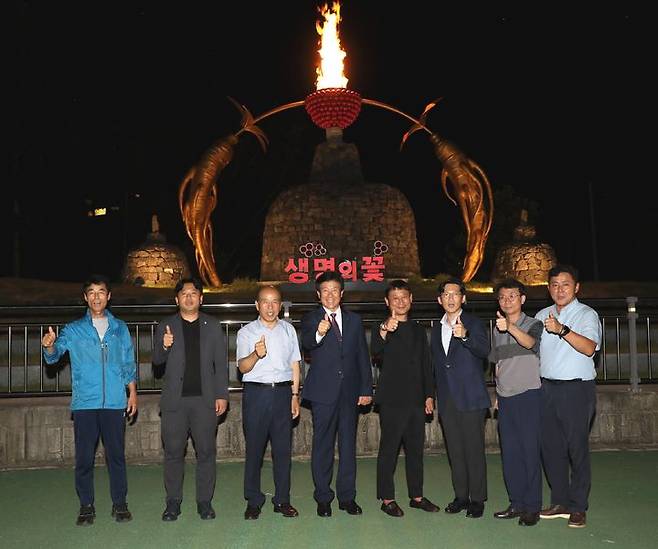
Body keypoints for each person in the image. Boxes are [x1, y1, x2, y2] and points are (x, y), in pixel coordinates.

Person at [41, 275, 137, 526]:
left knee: (116, 456)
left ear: (109, 296)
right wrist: (49, 347)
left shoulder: (120, 329)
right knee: (84, 458)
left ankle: (120, 504)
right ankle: (86, 506)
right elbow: (54, 356)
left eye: (101, 292)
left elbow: (128, 364)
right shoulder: (74, 329)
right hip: (85, 403)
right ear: (85, 297)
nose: (97, 297)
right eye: (91, 292)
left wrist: (133, 393)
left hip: (115, 402)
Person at [152, 277, 229, 522]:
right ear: (177, 299)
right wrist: (164, 347)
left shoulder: (213, 325)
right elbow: (156, 362)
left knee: (206, 452)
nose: (189, 297)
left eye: (193, 293)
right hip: (175, 402)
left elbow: (221, 365)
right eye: (184, 294)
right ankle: (173, 502)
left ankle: (204, 502)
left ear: (201, 298)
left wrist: (222, 395)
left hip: (205, 401)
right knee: (174, 453)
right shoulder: (166, 325)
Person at [301, 270, 373, 517]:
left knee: (348, 446)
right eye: (325, 291)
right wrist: (320, 332)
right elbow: (308, 343)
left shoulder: (354, 320)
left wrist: (366, 388)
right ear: (318, 294)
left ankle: (347, 497)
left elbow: (362, 356)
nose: (330, 295)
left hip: (350, 392)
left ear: (342, 293)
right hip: (323, 392)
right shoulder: (311, 318)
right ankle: (323, 497)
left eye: (335, 290)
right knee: (322, 446)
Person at [535, 265, 601, 529]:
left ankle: (578, 507)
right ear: (548, 288)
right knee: (550, 448)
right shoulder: (541, 314)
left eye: (565, 284)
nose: (559, 289)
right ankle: (559, 502)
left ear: (576, 287)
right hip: (546, 388)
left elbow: (589, 348)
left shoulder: (586, 314)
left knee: (577, 449)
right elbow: (532, 351)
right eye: (554, 284)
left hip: (576, 389)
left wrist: (562, 330)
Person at [371, 279, 439, 518]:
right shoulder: (383, 327)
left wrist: (429, 395)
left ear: (411, 300)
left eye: (404, 297)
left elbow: (426, 365)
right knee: (388, 450)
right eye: (395, 298)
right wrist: (383, 329)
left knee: (415, 451)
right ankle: (387, 498)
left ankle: (416, 496)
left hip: (416, 400)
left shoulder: (419, 330)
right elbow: (375, 352)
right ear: (387, 302)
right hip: (392, 399)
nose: (400, 302)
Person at [236, 285, 301, 520]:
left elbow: (295, 365)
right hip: (256, 394)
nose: (270, 306)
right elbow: (242, 367)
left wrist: (295, 395)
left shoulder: (289, 330)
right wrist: (256, 354)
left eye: (275, 301)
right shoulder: (246, 332)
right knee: (254, 449)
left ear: (280, 304)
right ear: (257, 305)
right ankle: (253, 500)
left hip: (283, 394)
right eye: (265, 301)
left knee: (283, 451)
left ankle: (282, 500)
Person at [431, 277, 490, 518]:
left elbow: (484, 351)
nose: (451, 298)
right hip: (447, 399)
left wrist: (465, 336)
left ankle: (477, 499)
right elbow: (437, 365)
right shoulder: (436, 328)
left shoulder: (474, 323)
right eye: (446, 294)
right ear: (440, 299)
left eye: (455, 294)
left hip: (471, 397)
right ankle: (461, 496)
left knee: (473, 450)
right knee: (454, 450)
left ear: (463, 298)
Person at [489, 279, 543, 526]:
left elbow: (530, 344)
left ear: (522, 299)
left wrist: (509, 326)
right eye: (502, 297)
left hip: (529, 395)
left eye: (512, 296)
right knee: (509, 454)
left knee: (529, 452)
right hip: (507, 398)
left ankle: (532, 507)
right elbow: (498, 365)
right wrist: (498, 394)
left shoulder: (533, 323)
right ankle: (516, 503)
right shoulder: (497, 329)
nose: (507, 301)